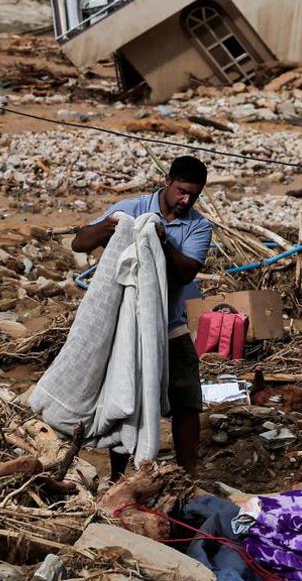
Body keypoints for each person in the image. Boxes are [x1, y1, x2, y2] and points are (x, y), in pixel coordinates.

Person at [71, 155, 212, 477]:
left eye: (193, 194)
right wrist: (110, 225)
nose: (186, 200)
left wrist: (162, 239)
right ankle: (120, 474)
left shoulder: (198, 226)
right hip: (124, 326)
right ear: (167, 181)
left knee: (187, 400)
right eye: (181, 191)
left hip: (169, 324)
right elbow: (79, 243)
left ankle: (189, 473)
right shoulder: (132, 207)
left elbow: (186, 273)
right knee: (125, 396)